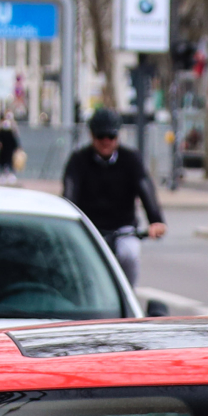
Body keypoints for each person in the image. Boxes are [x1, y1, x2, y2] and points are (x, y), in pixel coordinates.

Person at [62, 108, 168, 289]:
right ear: (91, 135)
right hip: (89, 228)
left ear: (118, 136)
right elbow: (70, 192)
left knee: (130, 253)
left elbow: (145, 187)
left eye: (111, 136)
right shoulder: (78, 160)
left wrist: (156, 220)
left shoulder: (131, 159)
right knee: (79, 259)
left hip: (123, 228)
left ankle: (127, 296)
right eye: (100, 136)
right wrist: (67, 221)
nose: (106, 141)